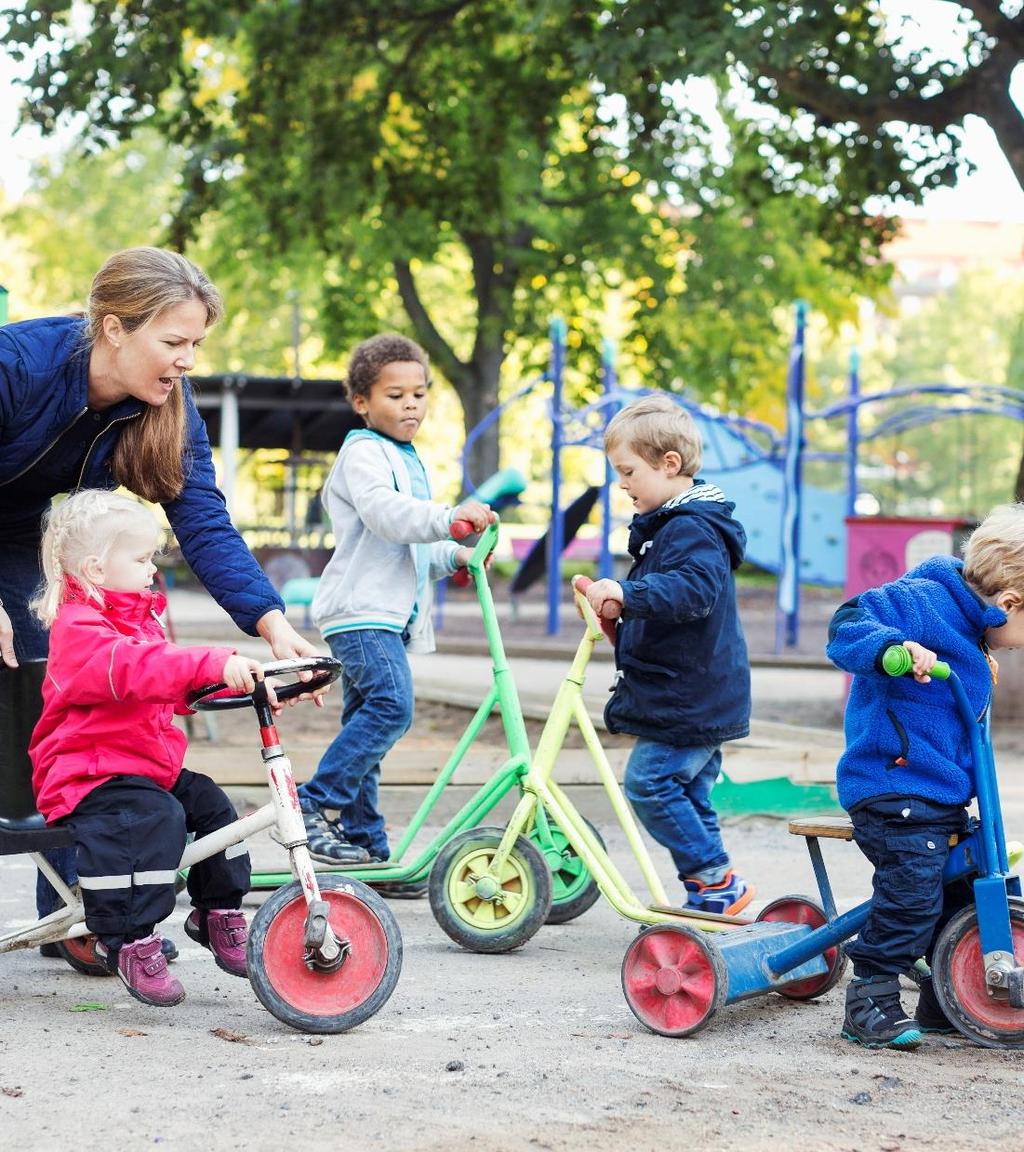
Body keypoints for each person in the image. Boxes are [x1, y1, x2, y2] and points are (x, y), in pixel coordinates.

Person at [0, 246, 318, 931]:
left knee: (49, 682)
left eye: (197, 343)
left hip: (40, 544)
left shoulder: (169, 404)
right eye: (173, 342)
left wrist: (268, 618)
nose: (188, 361)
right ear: (114, 328)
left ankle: (77, 916)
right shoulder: (17, 364)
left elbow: (201, 516)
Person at [29, 491, 264, 1006]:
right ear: (95, 568)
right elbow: (137, 668)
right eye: (139, 559)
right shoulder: (80, 630)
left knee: (211, 804)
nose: (151, 568)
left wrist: (248, 682)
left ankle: (217, 911)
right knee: (152, 816)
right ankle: (129, 937)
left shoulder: (135, 620)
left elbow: (174, 682)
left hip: (141, 767)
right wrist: (210, 661)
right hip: (88, 775)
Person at [289, 332, 495, 882]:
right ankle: (313, 804)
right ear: (362, 403)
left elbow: (412, 547)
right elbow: (387, 515)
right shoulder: (362, 453)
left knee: (368, 722)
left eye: (419, 394)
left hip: (384, 616)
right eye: (395, 395)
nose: (410, 405)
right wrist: (446, 516)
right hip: (359, 613)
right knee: (392, 706)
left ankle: (366, 845)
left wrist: (454, 553)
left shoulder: (407, 458)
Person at [825, 503, 1024, 1050]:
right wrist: (891, 650)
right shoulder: (921, 600)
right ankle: (869, 995)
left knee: (962, 891)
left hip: (939, 796)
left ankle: (947, 998)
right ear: (1009, 603)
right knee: (913, 891)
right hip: (892, 788)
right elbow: (846, 625)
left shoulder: (976, 634)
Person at [580, 394, 754, 914]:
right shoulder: (675, 526)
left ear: (669, 464)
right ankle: (712, 892)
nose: (623, 483)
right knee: (690, 793)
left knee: (650, 784)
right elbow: (671, 607)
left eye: (629, 471)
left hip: (692, 696)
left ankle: (716, 882)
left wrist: (629, 595)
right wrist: (619, 613)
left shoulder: (691, 528)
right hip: (696, 692)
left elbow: (692, 593)